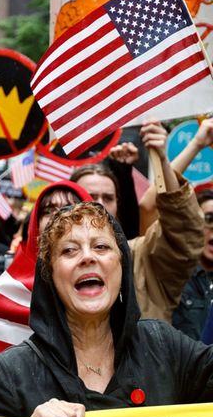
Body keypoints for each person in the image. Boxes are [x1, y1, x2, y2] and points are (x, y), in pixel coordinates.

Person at [0, 203, 213, 417]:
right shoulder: (9, 374)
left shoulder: (164, 345)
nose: (87, 257)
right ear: (49, 275)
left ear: (122, 266)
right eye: (69, 250)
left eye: (101, 247)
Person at [71, 120, 204, 322]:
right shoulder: (55, 263)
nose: (98, 205)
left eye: (107, 198)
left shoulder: (142, 259)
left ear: (117, 204)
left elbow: (183, 229)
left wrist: (162, 159)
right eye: (88, 196)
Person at [0, 180, 92, 360]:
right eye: (48, 211)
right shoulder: (9, 289)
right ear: (36, 225)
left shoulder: (105, 281)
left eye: (69, 208)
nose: (58, 216)